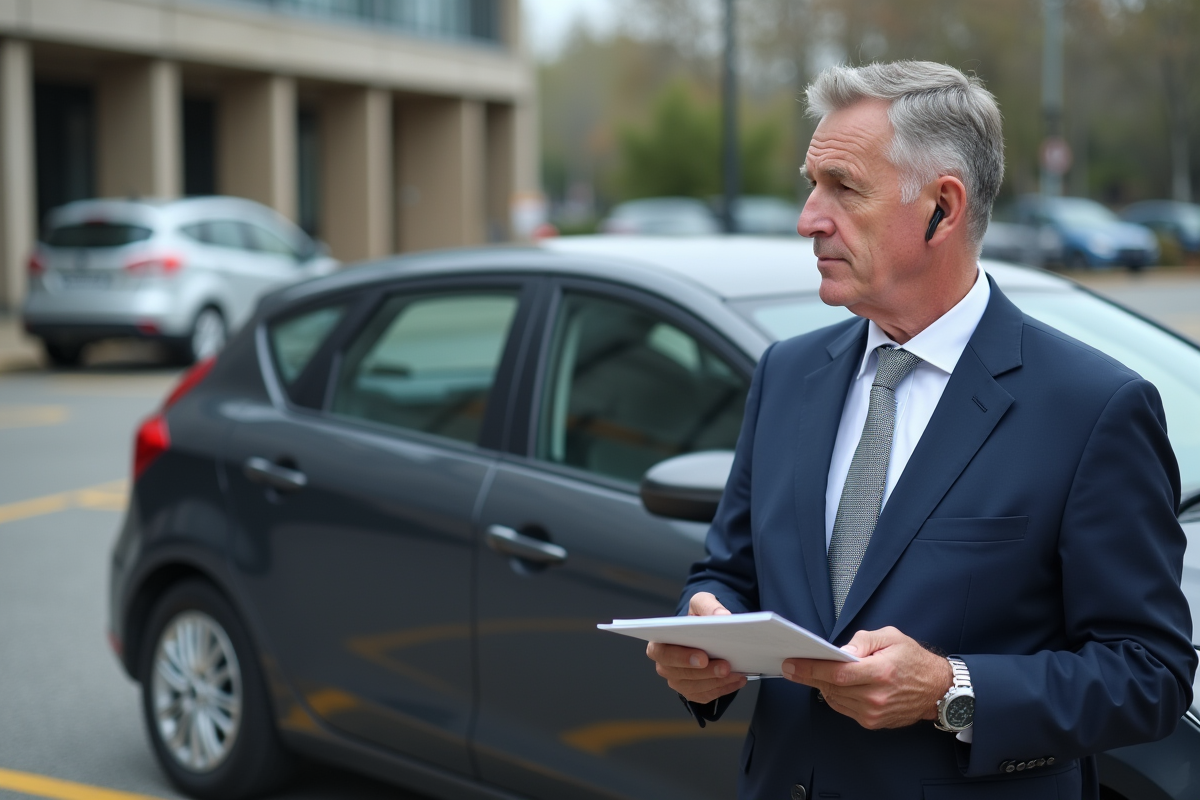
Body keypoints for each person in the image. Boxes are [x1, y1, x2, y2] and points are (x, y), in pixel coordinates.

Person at [646, 60, 1196, 800]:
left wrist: (949, 688)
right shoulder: (787, 374)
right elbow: (728, 573)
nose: (809, 217)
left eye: (842, 187)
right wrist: (698, 636)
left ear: (943, 206)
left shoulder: (1093, 407)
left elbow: (1149, 674)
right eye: (811, 184)